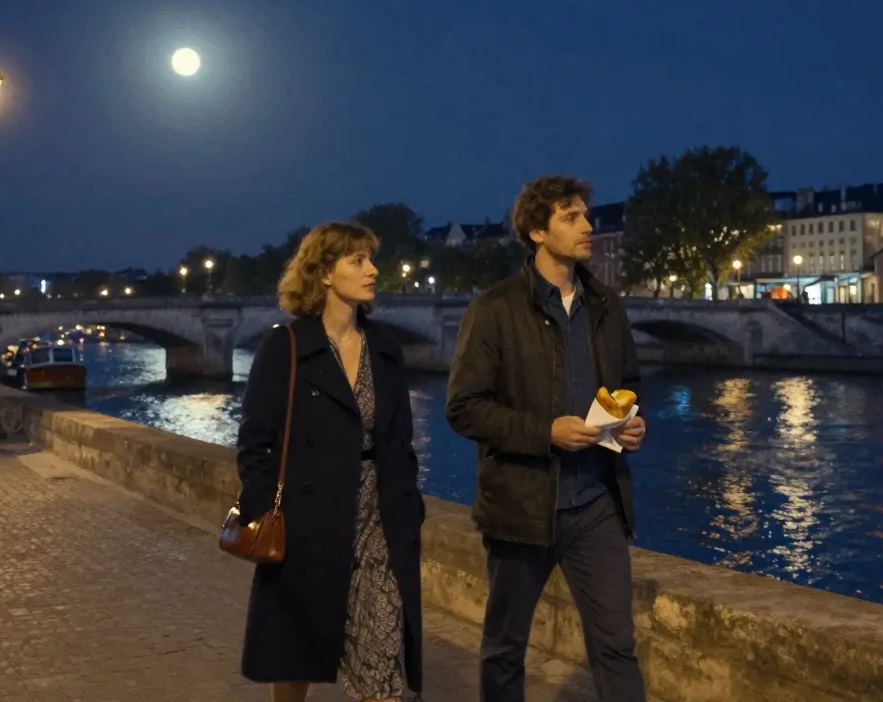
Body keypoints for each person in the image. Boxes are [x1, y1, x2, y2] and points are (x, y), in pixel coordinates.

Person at [446, 175, 648, 701]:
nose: (587, 226)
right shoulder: (493, 310)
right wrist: (545, 433)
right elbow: (464, 409)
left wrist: (631, 425)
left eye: (586, 214)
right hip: (523, 506)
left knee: (617, 647)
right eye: (571, 217)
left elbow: (629, 385)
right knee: (505, 649)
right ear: (537, 232)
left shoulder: (606, 306)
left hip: (597, 505)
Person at [236, 221, 425, 702]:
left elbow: (400, 438)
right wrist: (266, 511)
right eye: (357, 260)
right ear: (323, 273)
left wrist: (409, 504)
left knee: (383, 654)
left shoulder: (384, 347)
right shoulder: (287, 346)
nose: (372, 270)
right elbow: (256, 440)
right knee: (295, 652)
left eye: (371, 258)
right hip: (309, 520)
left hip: (379, 517)